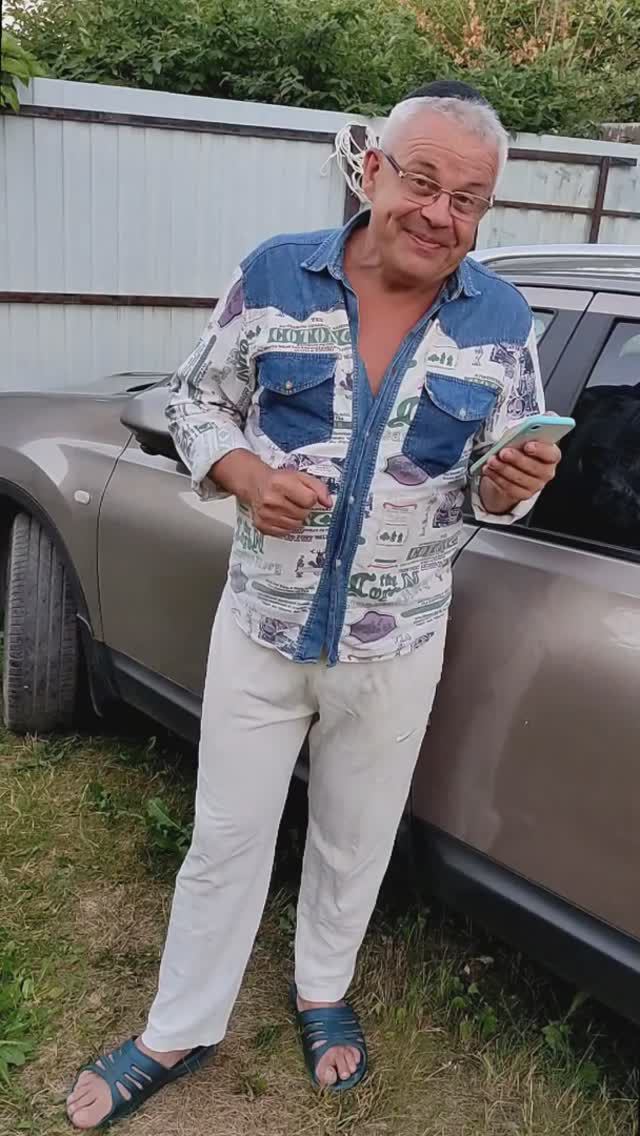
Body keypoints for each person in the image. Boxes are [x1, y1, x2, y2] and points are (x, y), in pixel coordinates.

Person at [66, 89, 561, 1129]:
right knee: (225, 835)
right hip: (262, 624)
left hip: (399, 640)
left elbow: (495, 478)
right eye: (422, 181)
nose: (440, 214)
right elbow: (195, 398)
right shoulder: (274, 275)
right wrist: (244, 472)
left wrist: (512, 483)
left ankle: (322, 989)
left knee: (354, 838)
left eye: (468, 199)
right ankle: (180, 1025)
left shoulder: (502, 320)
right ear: (372, 169)